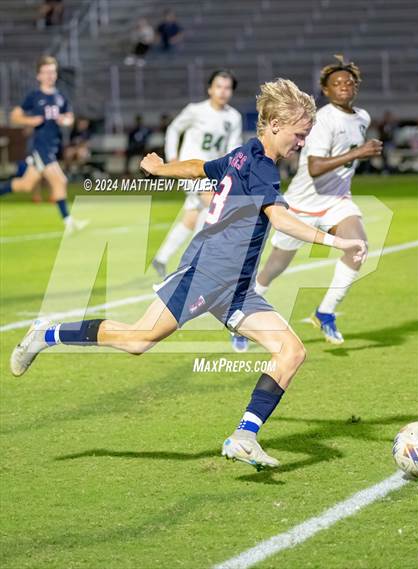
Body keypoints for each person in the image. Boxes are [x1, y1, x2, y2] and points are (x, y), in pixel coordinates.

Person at [10, 78, 367, 471]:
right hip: (204, 274)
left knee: (292, 351)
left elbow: (201, 168)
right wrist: (337, 241)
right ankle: (46, 334)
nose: (302, 142)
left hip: (235, 288)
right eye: (299, 134)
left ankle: (244, 437)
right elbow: (280, 219)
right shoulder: (262, 167)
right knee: (138, 341)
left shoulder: (245, 153)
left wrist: (162, 168)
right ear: (276, 124)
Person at [232, 55, 382, 352]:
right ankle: (241, 317)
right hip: (302, 204)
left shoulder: (362, 117)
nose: (344, 86)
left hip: (337, 201)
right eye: (337, 83)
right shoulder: (323, 119)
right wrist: (359, 153)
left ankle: (325, 312)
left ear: (356, 86)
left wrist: (358, 153)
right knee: (274, 268)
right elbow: (314, 167)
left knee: (358, 248)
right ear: (326, 90)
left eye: (349, 82)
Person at [152, 69, 242, 278]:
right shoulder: (195, 110)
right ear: (210, 89)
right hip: (191, 169)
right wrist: (172, 158)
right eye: (218, 86)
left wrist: (230, 170)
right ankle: (195, 261)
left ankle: (161, 259)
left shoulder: (234, 117)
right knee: (214, 204)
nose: (223, 91)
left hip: (211, 172)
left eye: (227, 88)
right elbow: (174, 129)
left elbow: (233, 147)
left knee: (193, 215)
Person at [0, 56, 87, 232]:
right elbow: (15, 116)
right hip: (40, 148)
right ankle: (69, 223)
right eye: (45, 72)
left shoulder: (60, 96)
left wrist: (66, 120)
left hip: (53, 147)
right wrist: (30, 120)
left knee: (26, 185)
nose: (49, 76)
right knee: (60, 180)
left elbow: (70, 117)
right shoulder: (34, 96)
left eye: (52, 72)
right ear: (38, 76)